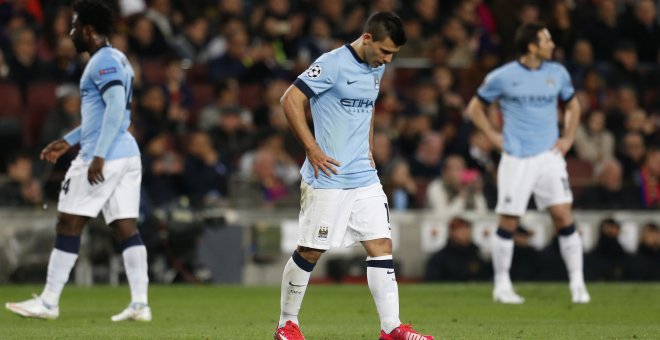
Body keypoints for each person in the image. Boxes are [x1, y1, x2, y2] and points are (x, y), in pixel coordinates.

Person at [274, 12, 433, 340]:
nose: (387, 59)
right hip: (327, 175)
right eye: (385, 51)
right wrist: (311, 148)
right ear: (368, 39)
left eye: (393, 55)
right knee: (311, 250)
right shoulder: (331, 64)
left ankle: (391, 328)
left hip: (364, 176)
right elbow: (290, 99)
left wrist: (368, 145)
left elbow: (369, 105)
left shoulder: (377, 67)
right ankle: (286, 324)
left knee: (381, 244)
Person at [5, 0, 150, 322]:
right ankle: (140, 303)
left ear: (87, 30)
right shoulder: (119, 59)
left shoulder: (102, 62)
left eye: (73, 27)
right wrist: (67, 140)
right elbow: (108, 115)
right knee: (126, 227)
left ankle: (48, 301)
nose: (70, 33)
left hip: (105, 155)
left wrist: (98, 154)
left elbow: (114, 109)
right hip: (127, 153)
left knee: (68, 222)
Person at [466, 22, 590, 304]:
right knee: (509, 220)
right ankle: (501, 285)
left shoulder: (557, 73)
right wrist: (493, 136)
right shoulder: (502, 76)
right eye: (547, 40)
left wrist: (568, 138)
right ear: (532, 46)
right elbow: (475, 107)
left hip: (550, 156)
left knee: (563, 215)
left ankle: (578, 284)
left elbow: (573, 105)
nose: (552, 45)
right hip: (517, 157)